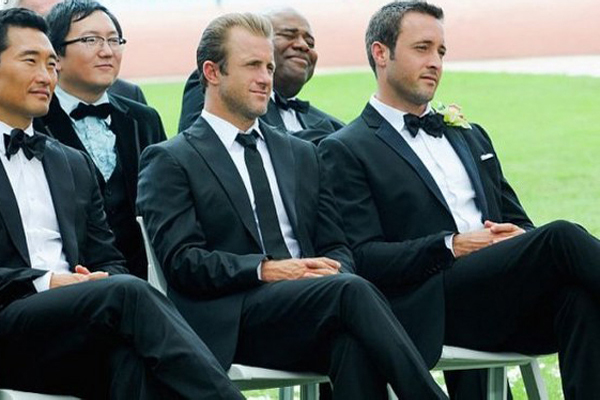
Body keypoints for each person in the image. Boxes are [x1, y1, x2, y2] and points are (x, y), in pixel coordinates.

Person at [137, 12, 447, 400]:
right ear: (212, 72)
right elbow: (183, 262)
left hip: (311, 309)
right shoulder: (171, 159)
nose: (265, 78)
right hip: (233, 320)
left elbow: (336, 244)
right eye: (252, 65)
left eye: (269, 66)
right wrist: (266, 270)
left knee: (352, 345)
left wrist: (329, 269)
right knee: (349, 293)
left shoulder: (301, 154)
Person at [318, 1, 600, 399]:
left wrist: (517, 235)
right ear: (381, 53)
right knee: (561, 237)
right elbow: (364, 257)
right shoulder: (345, 148)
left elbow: (521, 222)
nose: (435, 62)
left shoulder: (470, 135)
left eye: (441, 51)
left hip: (501, 299)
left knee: (580, 298)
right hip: (432, 304)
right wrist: (453, 245)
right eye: (422, 48)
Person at [0, 8, 244, 399]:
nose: (46, 76)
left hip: (75, 329)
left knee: (131, 361)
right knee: (128, 293)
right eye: (30, 61)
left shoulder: (71, 163)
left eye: (51, 64)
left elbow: (109, 259)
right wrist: (47, 281)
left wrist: (96, 280)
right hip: (10, 324)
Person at [33, 0, 166, 279]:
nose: (107, 51)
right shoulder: (33, 122)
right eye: (90, 40)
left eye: (114, 40)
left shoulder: (143, 119)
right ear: (56, 56)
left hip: (146, 276)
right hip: (71, 281)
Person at [178, 8, 344, 144]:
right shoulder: (217, 80)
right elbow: (200, 145)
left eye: (310, 43)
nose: (303, 45)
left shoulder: (331, 125)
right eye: (288, 35)